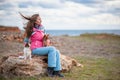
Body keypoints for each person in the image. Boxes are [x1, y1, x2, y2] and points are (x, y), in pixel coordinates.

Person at [19, 13, 64, 77]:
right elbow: (26, 41)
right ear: (35, 21)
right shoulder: (31, 30)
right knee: (52, 49)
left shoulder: (42, 28)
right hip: (35, 49)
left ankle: (57, 71)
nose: (41, 20)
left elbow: (44, 38)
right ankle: (50, 70)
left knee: (57, 51)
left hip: (42, 48)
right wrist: (27, 50)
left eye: (40, 19)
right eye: (39, 19)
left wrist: (46, 40)